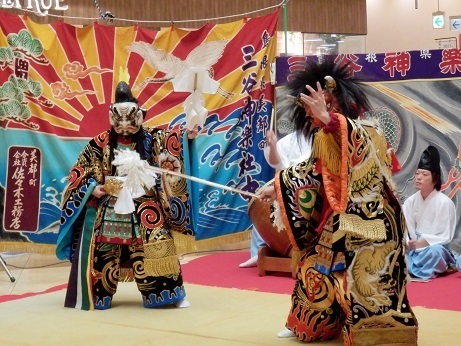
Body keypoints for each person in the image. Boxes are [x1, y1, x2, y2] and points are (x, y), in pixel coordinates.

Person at [257, 57, 418, 344]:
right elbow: (310, 171)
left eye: (319, 105)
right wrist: (277, 187)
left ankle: (379, 332)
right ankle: (318, 323)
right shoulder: (323, 138)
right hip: (337, 217)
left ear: (335, 104)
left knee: (369, 278)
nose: (311, 114)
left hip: (373, 222)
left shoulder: (369, 131)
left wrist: (332, 121)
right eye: (307, 109)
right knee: (310, 263)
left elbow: (363, 150)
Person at [56, 80, 196, 310]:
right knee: (101, 247)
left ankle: (167, 294)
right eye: (118, 120)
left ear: (139, 115)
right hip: (110, 202)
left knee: (157, 239)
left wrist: (186, 137)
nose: (124, 125)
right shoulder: (100, 143)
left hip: (145, 204)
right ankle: (97, 295)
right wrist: (93, 188)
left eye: (129, 119)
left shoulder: (152, 138)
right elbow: (79, 173)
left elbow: (173, 144)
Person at [239, 128, 314, 268]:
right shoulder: (291, 139)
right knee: (266, 204)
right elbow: (277, 163)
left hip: (312, 190)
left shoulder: (324, 136)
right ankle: (258, 251)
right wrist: (273, 146)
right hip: (289, 186)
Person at [403, 145, 457, 280]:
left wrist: (424, 242)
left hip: (432, 246)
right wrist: (410, 241)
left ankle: (442, 264)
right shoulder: (410, 201)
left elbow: (446, 235)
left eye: (424, 174)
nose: (419, 177)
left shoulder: (445, 203)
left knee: (436, 252)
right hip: (413, 247)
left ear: (435, 178)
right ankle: (424, 268)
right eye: (417, 173)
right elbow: (406, 227)